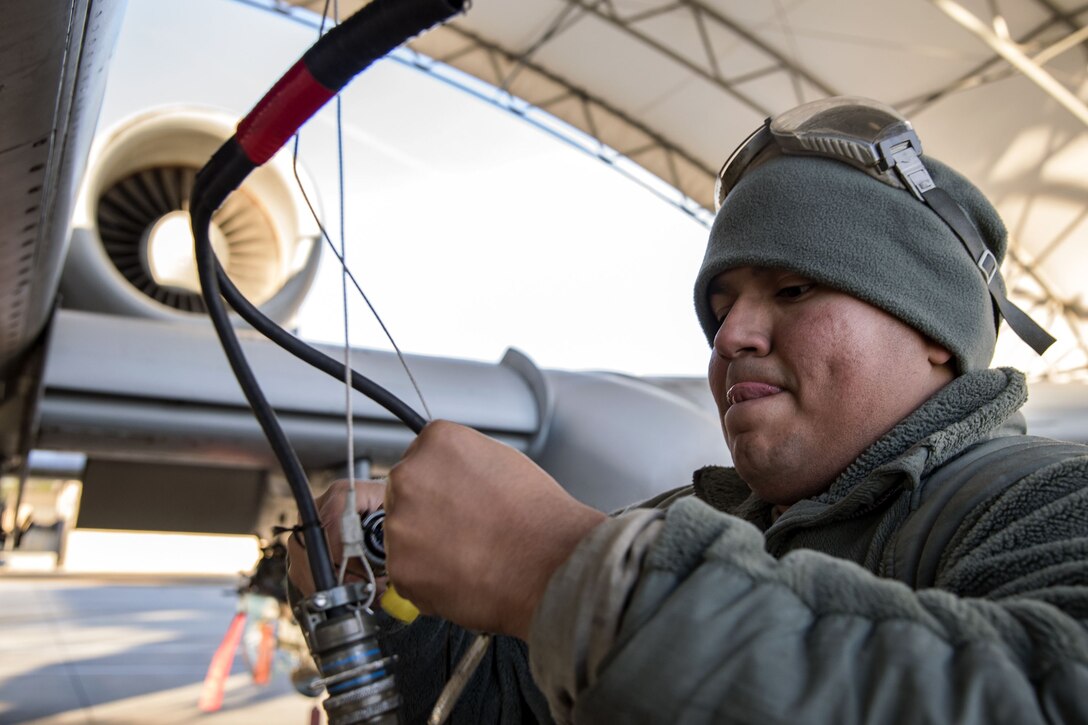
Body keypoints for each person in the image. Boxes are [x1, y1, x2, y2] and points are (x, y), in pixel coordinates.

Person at [289, 96, 1088, 723]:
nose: (730, 333)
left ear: (934, 332)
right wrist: (388, 597)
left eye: (794, 288)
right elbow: (497, 707)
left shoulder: (1051, 503)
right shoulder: (693, 522)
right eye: (720, 303)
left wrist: (562, 568)